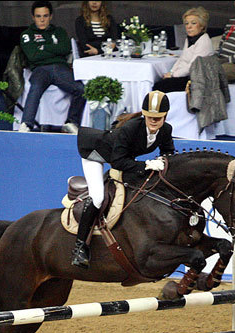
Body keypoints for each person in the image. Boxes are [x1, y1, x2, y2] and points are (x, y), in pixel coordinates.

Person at [71, 90, 175, 268]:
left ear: (165, 116)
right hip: (97, 155)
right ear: (144, 114)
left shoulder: (166, 130)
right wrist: (147, 165)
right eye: (150, 117)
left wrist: (162, 160)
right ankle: (80, 248)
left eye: (158, 117)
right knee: (98, 197)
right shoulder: (130, 128)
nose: (153, 121)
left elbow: (168, 151)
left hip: (124, 159)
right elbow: (118, 162)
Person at [18, 0, 85, 133]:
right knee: (35, 88)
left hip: (60, 68)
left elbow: (65, 49)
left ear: (51, 16)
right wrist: (53, 49)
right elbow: (33, 56)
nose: (42, 20)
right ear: (33, 17)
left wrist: (42, 48)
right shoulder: (27, 34)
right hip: (40, 69)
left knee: (82, 89)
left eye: (45, 16)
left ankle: (71, 122)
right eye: (38, 16)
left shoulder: (59, 31)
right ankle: (26, 124)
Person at [153, 7, 214, 93]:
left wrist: (173, 75)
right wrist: (171, 72)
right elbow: (181, 59)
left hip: (194, 79)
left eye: (193, 23)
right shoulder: (189, 39)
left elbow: (192, 67)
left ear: (201, 26)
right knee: (159, 82)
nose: (189, 27)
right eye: (186, 23)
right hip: (184, 75)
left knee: (160, 87)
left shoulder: (203, 41)